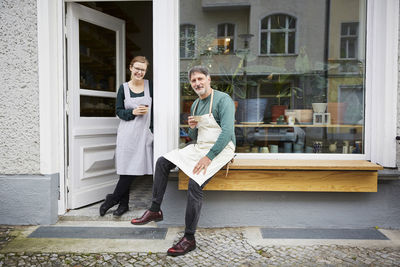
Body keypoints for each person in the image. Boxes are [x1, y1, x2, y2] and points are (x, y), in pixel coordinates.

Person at [131, 66, 235, 256]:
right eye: (194, 81)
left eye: (200, 79)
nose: (197, 83)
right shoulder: (195, 105)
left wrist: (208, 157)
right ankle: (155, 209)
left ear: (208, 79)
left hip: (222, 148)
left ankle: (189, 238)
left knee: (195, 184)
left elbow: (227, 133)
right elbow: (194, 136)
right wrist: (192, 128)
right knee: (162, 161)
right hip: (201, 147)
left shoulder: (223, 100)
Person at [99, 56, 153, 217]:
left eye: (142, 69)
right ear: (130, 68)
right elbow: (118, 111)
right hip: (127, 133)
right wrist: (133, 112)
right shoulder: (123, 88)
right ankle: (123, 205)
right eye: (137, 68)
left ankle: (112, 199)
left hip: (143, 134)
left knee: (134, 168)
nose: (139, 72)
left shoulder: (151, 86)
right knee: (126, 169)